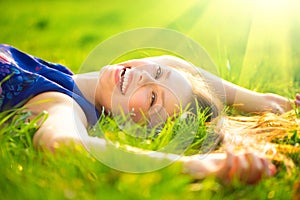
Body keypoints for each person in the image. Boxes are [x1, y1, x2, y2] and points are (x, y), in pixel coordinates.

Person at [0, 44, 299, 184]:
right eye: (156, 71)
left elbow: (62, 143)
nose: (144, 77)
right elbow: (176, 65)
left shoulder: (58, 102)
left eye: (153, 96)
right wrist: (265, 101)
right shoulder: (72, 80)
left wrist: (199, 165)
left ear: (135, 128)